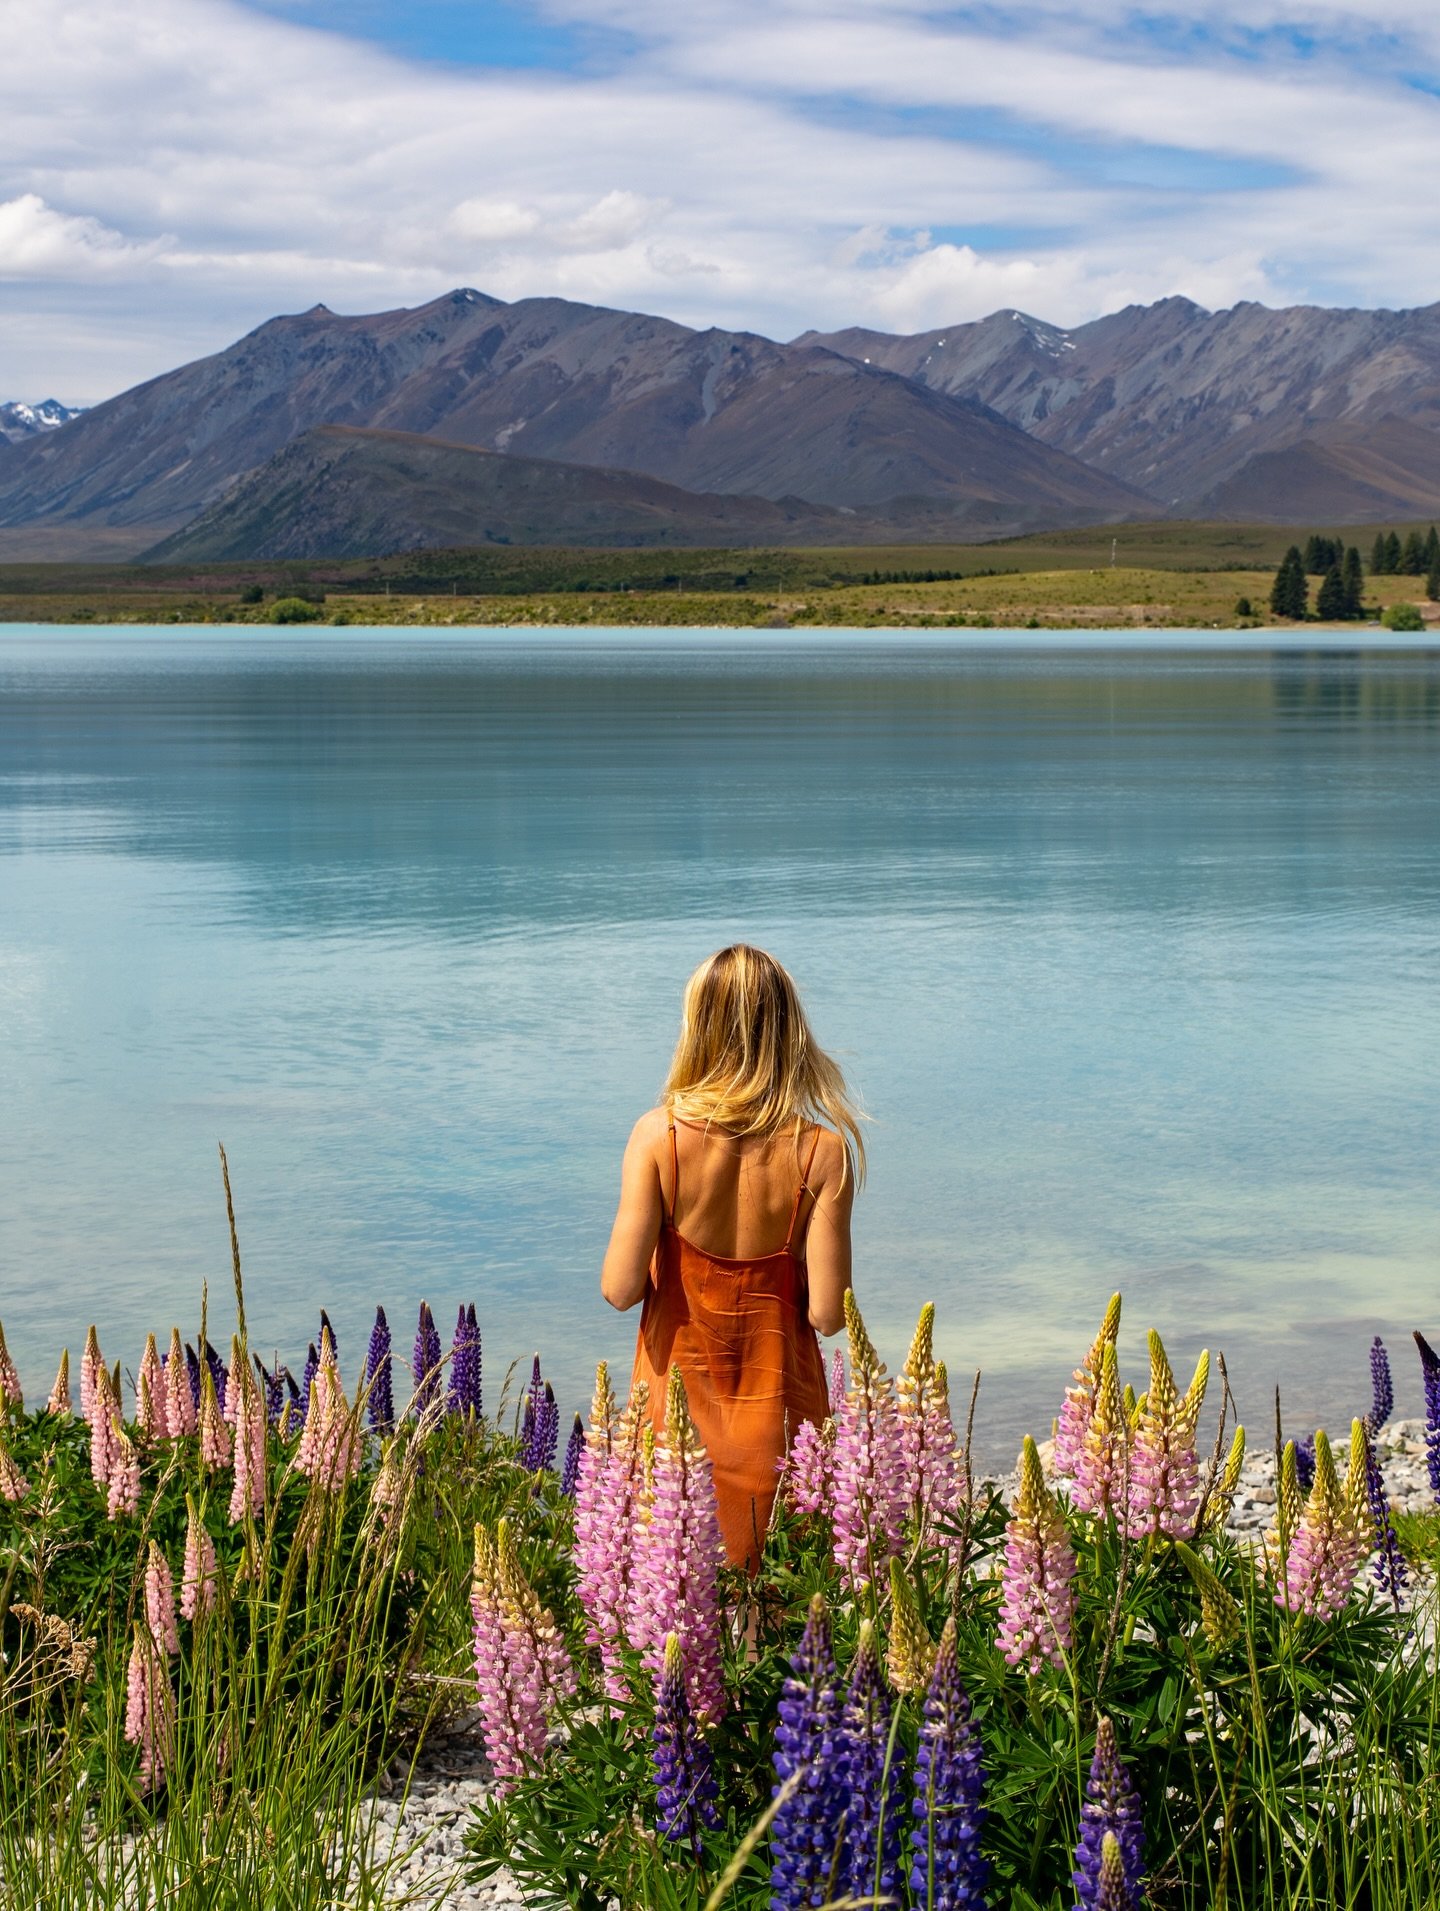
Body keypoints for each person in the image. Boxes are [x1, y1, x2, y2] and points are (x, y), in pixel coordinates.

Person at [601, 944, 865, 1570]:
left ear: (699, 1028)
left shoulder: (657, 1135)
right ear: (788, 1033)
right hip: (781, 1422)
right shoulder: (823, 1153)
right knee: (778, 1623)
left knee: (675, 1614)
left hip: (674, 1424)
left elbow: (619, 1289)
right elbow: (830, 1314)